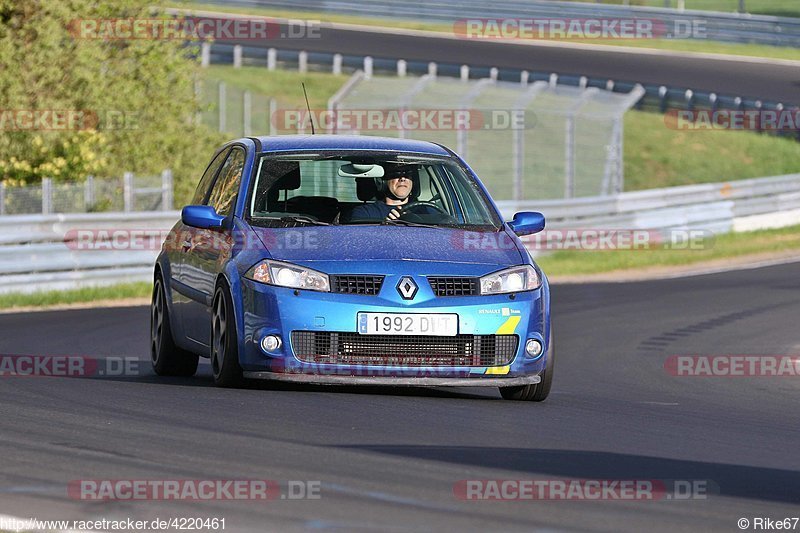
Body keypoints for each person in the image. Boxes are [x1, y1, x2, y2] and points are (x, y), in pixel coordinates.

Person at [349, 165, 438, 222]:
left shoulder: (427, 210)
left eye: (407, 174)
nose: (403, 178)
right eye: (396, 173)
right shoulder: (365, 213)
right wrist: (386, 226)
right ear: (383, 181)